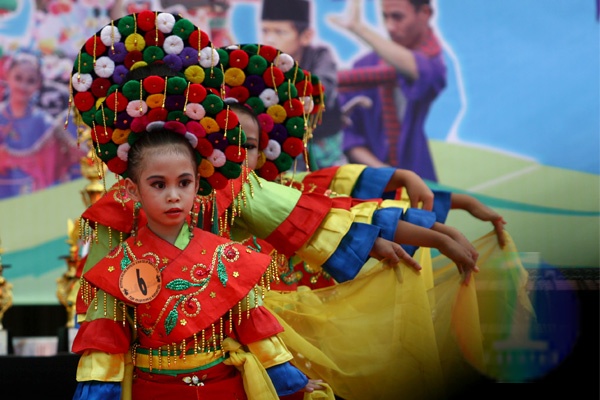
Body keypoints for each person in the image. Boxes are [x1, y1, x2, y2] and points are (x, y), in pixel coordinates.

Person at [68, 12, 333, 399]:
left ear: (200, 184)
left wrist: (291, 384)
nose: (173, 195)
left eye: (184, 183)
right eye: (158, 185)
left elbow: (257, 329)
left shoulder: (227, 256)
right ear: (133, 189)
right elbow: (106, 341)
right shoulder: (118, 264)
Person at [329, 0, 446, 182]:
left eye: (398, 17)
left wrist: (358, 28)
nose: (390, 27)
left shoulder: (433, 63)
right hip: (369, 182)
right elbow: (347, 133)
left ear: (424, 13)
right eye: (385, 16)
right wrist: (382, 171)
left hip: (417, 176)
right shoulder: (365, 65)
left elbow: (420, 70)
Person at [260, 0, 347, 171]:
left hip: (324, 154)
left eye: (280, 32)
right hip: (282, 157)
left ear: (306, 36)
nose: (269, 39)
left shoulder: (320, 57)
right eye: (265, 31)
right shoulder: (261, 62)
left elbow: (323, 91)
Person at [0, 51, 85, 199]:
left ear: (38, 84)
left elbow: (54, 165)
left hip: (32, 192)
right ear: (7, 76)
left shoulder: (44, 122)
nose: (23, 85)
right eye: (18, 78)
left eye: (30, 81)